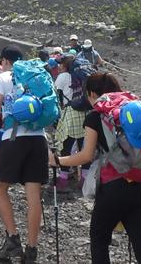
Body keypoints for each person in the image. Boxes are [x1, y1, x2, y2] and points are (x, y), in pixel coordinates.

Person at [50, 72, 141, 264]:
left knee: (99, 240)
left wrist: (57, 161)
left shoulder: (95, 116)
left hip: (113, 188)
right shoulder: (133, 109)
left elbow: (85, 155)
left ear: (93, 93)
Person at [0, 46, 48, 263]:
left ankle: (13, 238)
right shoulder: (35, 77)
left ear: (3, 60)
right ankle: (32, 250)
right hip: (39, 139)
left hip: (13, 138)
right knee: (33, 196)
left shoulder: (1, 77)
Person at [53, 54, 84, 192]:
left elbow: (55, 92)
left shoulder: (63, 76)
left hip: (71, 112)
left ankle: (63, 180)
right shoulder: (81, 75)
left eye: (61, 64)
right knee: (84, 147)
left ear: (65, 65)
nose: (59, 67)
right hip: (84, 111)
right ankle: (84, 179)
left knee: (66, 145)